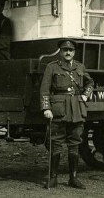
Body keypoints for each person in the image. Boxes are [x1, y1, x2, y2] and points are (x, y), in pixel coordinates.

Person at [40, 39, 94, 189]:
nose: (68, 53)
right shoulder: (52, 67)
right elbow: (44, 89)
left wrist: (85, 95)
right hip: (58, 109)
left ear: (74, 52)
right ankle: (53, 178)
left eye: (70, 50)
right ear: (61, 52)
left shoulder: (80, 67)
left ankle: (73, 178)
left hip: (77, 108)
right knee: (56, 143)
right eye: (65, 50)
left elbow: (90, 82)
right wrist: (46, 108)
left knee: (75, 143)